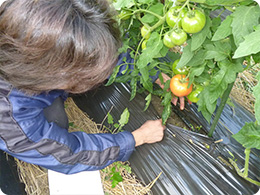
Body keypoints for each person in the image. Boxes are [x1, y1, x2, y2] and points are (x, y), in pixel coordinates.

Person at [0, 0, 184, 174]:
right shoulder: (10, 118)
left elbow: (92, 49)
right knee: (57, 121)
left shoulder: (39, 22)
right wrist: (137, 138)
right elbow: (70, 154)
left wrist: (155, 74)